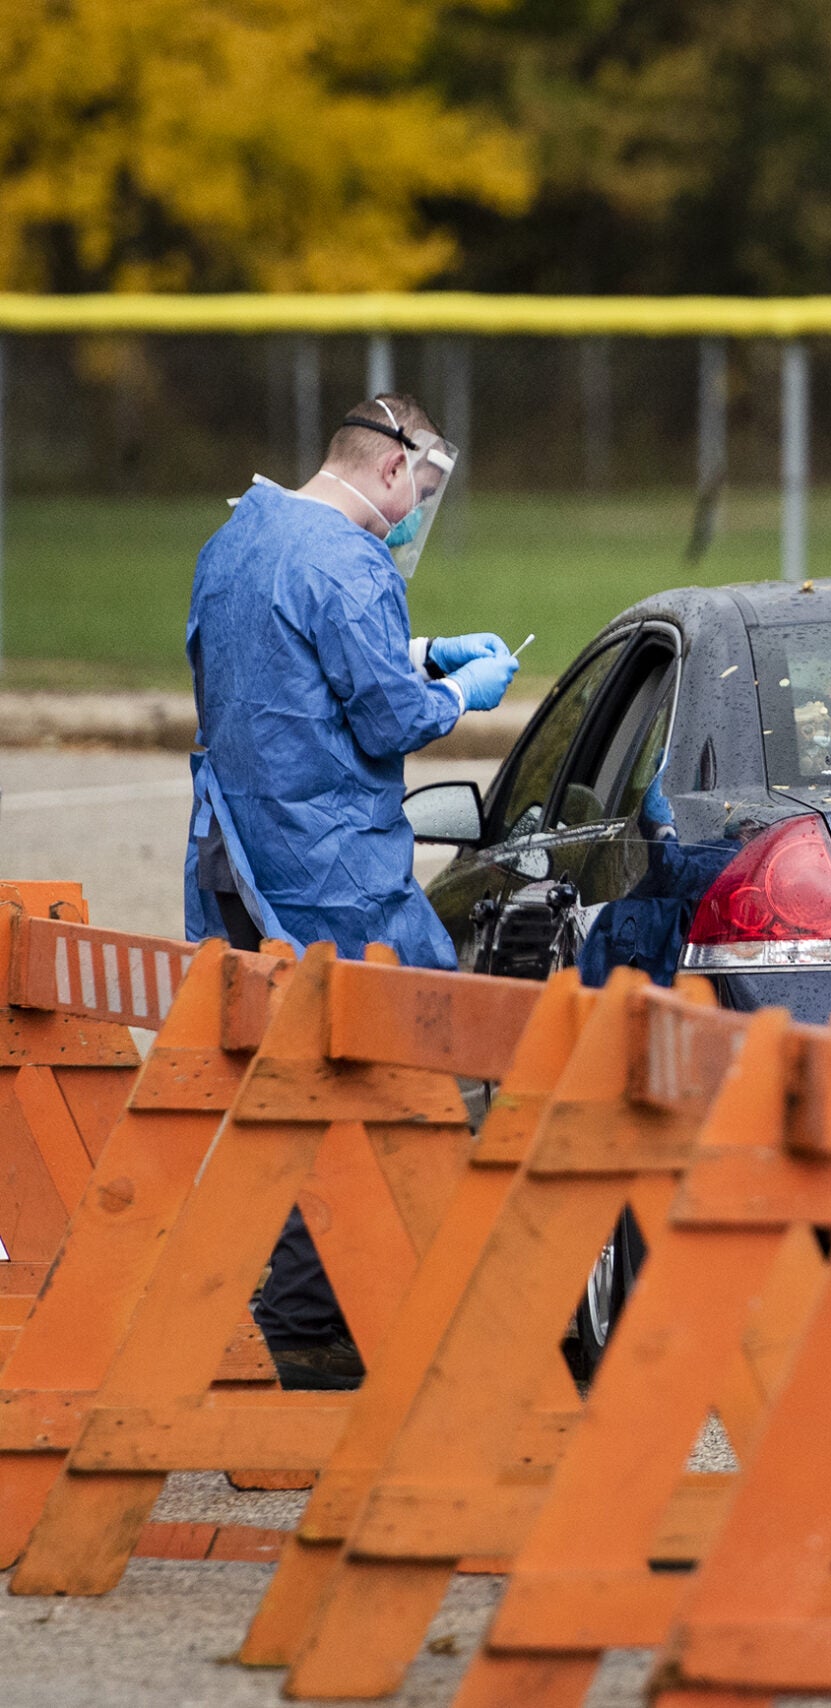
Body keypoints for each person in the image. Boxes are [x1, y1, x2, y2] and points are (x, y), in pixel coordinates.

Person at [183, 392, 519, 1388]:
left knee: (300, 1089)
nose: (417, 509)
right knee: (414, 1079)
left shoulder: (241, 537)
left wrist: (417, 651)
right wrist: (456, 690)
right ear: (387, 469)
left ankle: (305, 1324)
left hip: (238, 849)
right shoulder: (351, 560)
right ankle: (421, 1322)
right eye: (419, 489)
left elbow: (279, 657)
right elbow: (383, 720)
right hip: (329, 867)